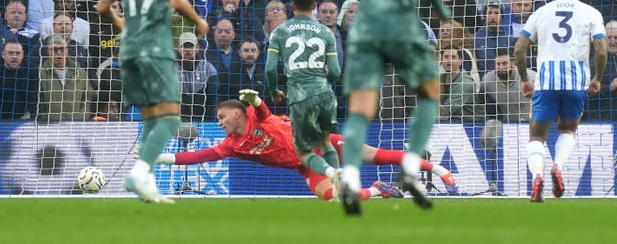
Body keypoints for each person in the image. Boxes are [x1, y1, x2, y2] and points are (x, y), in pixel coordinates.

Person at [323, 0, 450, 214]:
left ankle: (349, 175)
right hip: (401, 23)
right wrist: (441, 9)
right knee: (429, 93)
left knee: (361, 109)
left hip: (365, 27)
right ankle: (410, 166)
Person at [154, 92, 459, 200]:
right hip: (303, 164)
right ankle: (380, 189)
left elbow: (262, 111)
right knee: (334, 197)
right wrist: (161, 156)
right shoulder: (231, 146)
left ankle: (438, 168)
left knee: (374, 155)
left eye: (222, 117)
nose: (219, 122)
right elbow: (197, 156)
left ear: (237, 112)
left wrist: (257, 99)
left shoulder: (257, 116)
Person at [96, 0, 209, 203]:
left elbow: (103, 7)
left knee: (150, 118)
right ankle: (139, 172)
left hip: (129, 50)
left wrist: (123, 25)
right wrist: (198, 21)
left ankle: (145, 185)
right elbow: (176, 0)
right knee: (171, 120)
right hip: (156, 49)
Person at [514, 0, 607, 202]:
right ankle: (557, 166)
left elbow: (519, 49)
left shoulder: (541, 12)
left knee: (536, 136)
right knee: (567, 130)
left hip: (546, 83)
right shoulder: (591, 13)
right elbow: (602, 52)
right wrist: (597, 78)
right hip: (576, 83)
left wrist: (525, 79)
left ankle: (537, 176)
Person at [265, 0, 343, 198]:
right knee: (326, 141)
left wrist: (273, 91)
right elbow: (336, 71)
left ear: (291, 6)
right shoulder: (326, 32)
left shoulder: (279, 31)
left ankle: (330, 172)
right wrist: (322, 81)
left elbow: (270, 69)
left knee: (303, 152)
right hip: (326, 94)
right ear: (315, 6)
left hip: (300, 96)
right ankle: (339, 186)